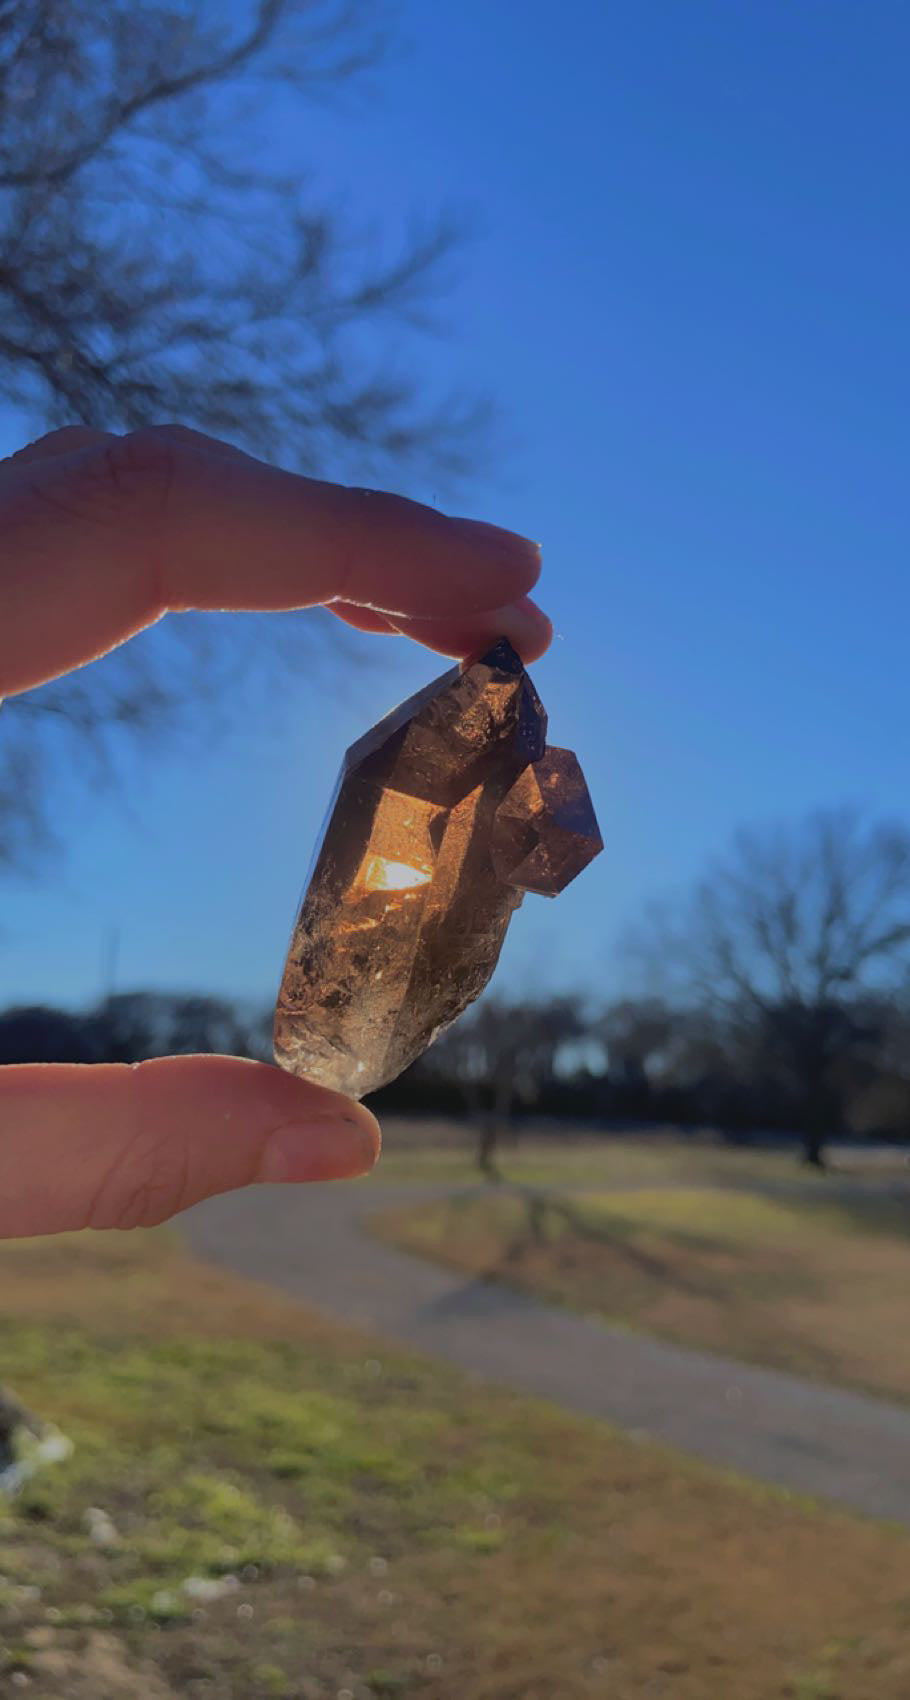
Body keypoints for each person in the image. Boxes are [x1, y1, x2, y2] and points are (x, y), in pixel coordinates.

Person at [0, 425, 551, 1240]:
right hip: (343, 1033)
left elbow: (552, 844)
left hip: (358, 1025)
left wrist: (548, 828)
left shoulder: (514, 763)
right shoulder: (493, 743)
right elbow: (555, 843)